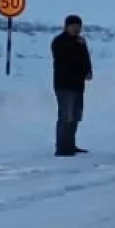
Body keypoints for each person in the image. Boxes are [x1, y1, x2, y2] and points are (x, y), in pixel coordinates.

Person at [50, 14, 93, 157]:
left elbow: (85, 58)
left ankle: (70, 144)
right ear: (67, 26)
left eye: (78, 26)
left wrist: (88, 71)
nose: (76, 29)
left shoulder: (80, 42)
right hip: (64, 84)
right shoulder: (60, 42)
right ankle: (62, 147)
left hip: (78, 84)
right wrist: (77, 45)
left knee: (75, 116)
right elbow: (66, 59)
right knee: (65, 115)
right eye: (73, 26)